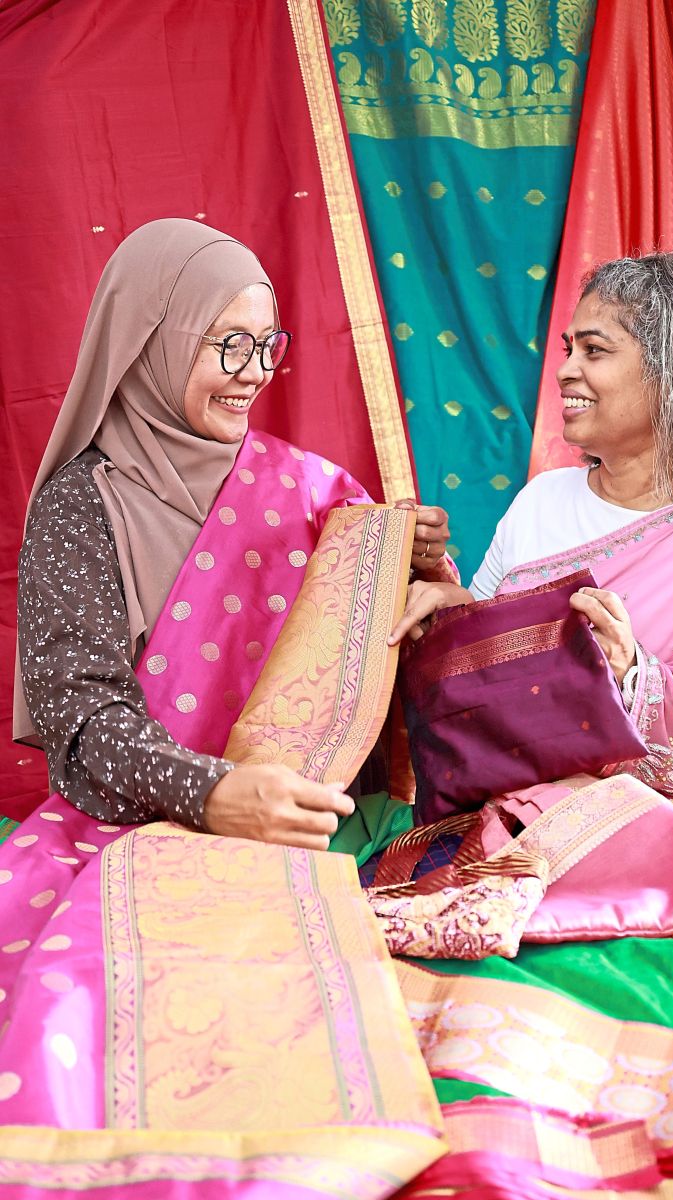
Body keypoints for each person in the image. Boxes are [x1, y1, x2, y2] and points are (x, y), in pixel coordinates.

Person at [15, 218, 449, 846]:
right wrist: (212, 794)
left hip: (314, 831)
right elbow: (81, 720)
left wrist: (409, 572)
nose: (256, 374)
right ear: (150, 342)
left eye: (268, 344)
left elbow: (371, 672)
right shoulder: (81, 506)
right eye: (229, 345)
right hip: (142, 834)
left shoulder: (307, 489)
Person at [389, 251, 673, 801]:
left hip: (648, 864)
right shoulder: (541, 501)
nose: (567, 369)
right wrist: (445, 605)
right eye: (570, 348)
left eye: (595, 350)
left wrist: (631, 677)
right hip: (505, 837)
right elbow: (493, 676)